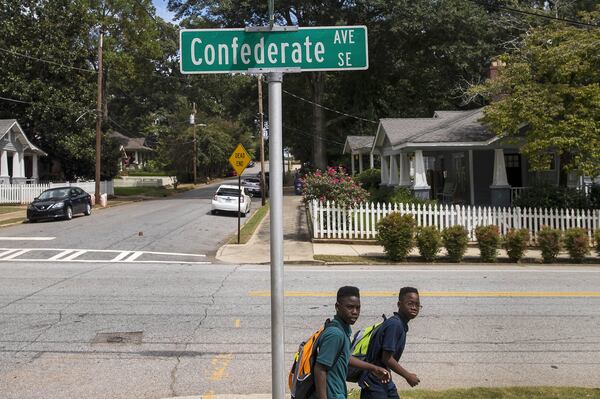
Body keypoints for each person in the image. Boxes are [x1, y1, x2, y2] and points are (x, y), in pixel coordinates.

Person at [312, 286, 390, 399]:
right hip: (332, 395)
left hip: (338, 393)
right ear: (337, 307)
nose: (355, 312)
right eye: (350, 307)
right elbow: (320, 369)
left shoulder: (341, 330)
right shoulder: (335, 334)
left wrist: (373, 368)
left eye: (358, 308)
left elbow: (345, 357)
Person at [358, 287, 421, 399]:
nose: (414, 307)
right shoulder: (395, 325)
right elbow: (387, 358)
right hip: (374, 380)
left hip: (384, 379)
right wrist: (408, 376)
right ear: (399, 304)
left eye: (417, 305)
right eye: (410, 303)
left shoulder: (400, 324)